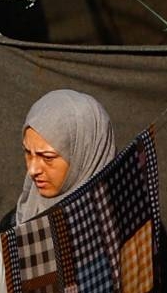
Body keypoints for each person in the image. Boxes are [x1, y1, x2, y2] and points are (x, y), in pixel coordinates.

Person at [14, 89, 116, 224]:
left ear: (83, 156)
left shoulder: (125, 222)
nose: (32, 170)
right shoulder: (21, 217)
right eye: (28, 153)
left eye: (47, 157)